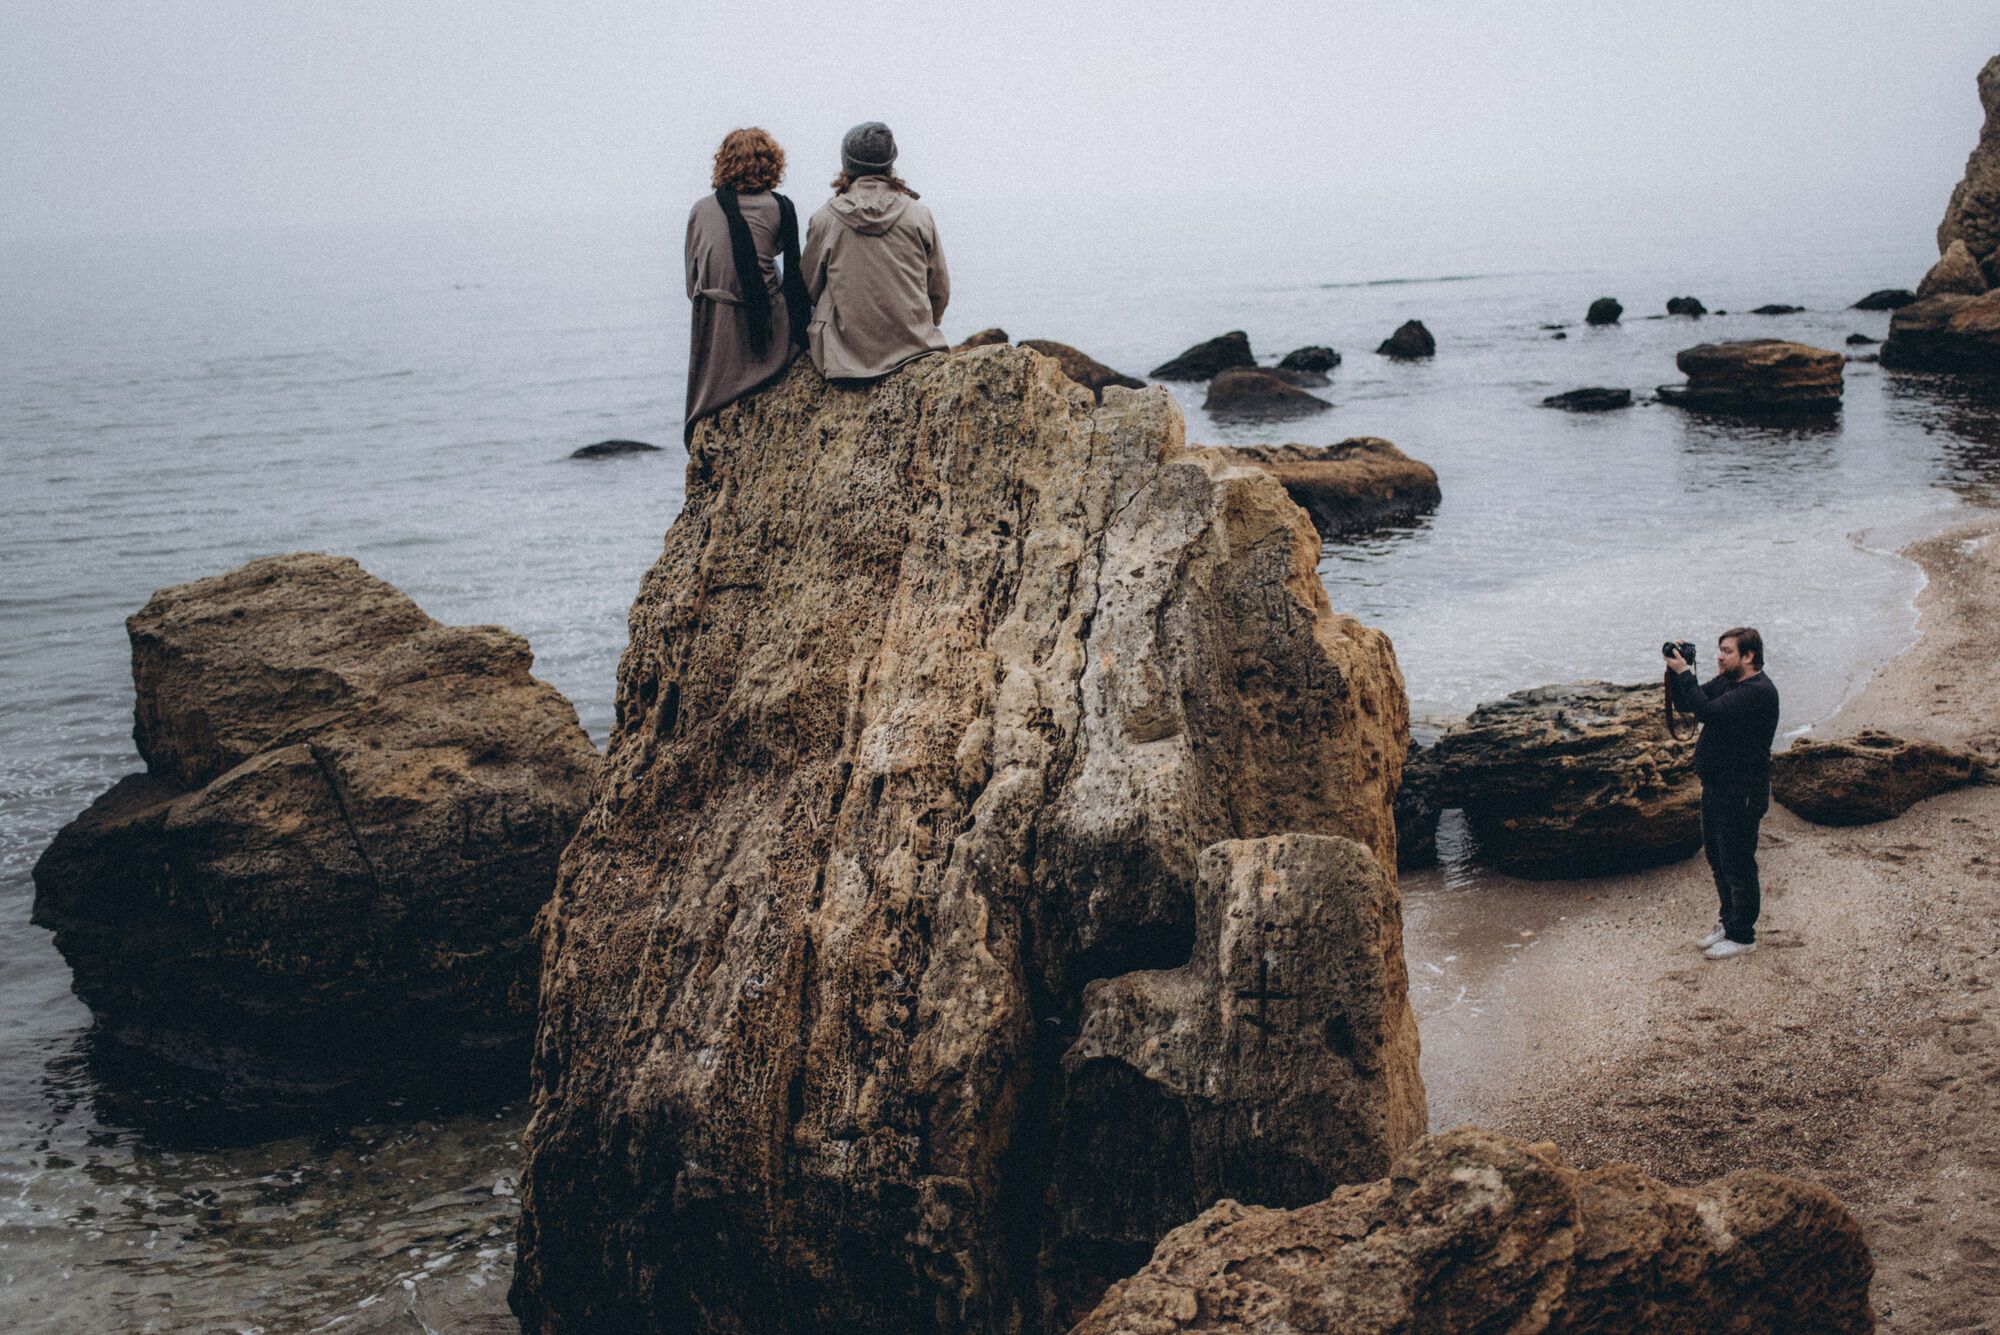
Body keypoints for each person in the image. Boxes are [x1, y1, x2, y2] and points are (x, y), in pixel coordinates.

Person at [683, 127, 811, 444]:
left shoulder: (701, 210)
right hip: (770, 323)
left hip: (717, 325)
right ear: (772, 164)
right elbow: (789, 263)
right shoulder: (780, 207)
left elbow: (692, 282)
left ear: (723, 163)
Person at [1664, 627, 1780, 960]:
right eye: (1719, 650)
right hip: (1716, 787)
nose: (1719, 656)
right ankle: (1729, 923)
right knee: (1717, 859)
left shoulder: (1758, 692)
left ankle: (1743, 935)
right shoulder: (1730, 681)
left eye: (1727, 651)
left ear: (1749, 656)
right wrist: (1679, 672)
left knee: (1738, 863)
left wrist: (1685, 673)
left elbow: (1708, 712)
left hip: (1741, 792)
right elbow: (1691, 703)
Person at [801, 122, 949, 381]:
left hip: (842, 357)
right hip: (915, 348)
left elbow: (809, 287)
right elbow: (939, 289)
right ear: (890, 162)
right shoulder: (918, 214)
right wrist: (922, 325)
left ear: (847, 163)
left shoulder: (825, 219)